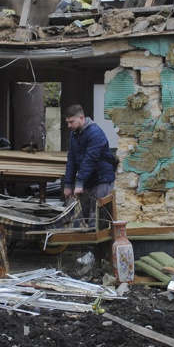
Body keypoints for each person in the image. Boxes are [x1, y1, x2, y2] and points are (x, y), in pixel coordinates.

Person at [62, 104, 117, 265]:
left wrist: (79, 183)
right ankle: (91, 254)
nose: (69, 125)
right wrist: (68, 184)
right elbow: (72, 159)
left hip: (102, 179)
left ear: (81, 117)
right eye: (67, 122)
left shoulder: (96, 133)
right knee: (86, 217)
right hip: (88, 181)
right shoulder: (75, 135)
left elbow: (89, 160)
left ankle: (96, 255)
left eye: (71, 122)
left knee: (96, 217)